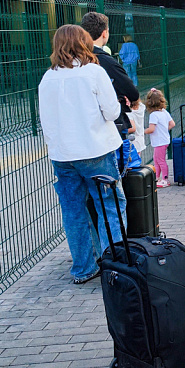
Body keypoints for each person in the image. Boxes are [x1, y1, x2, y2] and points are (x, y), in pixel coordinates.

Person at [38, 24, 127, 284]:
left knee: (74, 211)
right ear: (84, 43)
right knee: (110, 205)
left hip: (62, 154)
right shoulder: (93, 72)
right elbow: (112, 112)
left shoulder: (48, 77)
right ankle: (116, 265)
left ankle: (83, 267)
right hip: (94, 149)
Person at [81, 12, 140, 133]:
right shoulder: (106, 62)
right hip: (108, 127)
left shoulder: (71, 61)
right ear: (104, 33)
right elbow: (133, 93)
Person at [144, 89, 175, 188]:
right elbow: (172, 124)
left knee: (160, 160)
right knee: (156, 159)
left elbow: (152, 129)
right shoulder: (164, 112)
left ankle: (165, 179)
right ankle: (157, 177)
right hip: (164, 139)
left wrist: (142, 132)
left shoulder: (153, 115)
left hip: (159, 142)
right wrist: (164, 130)